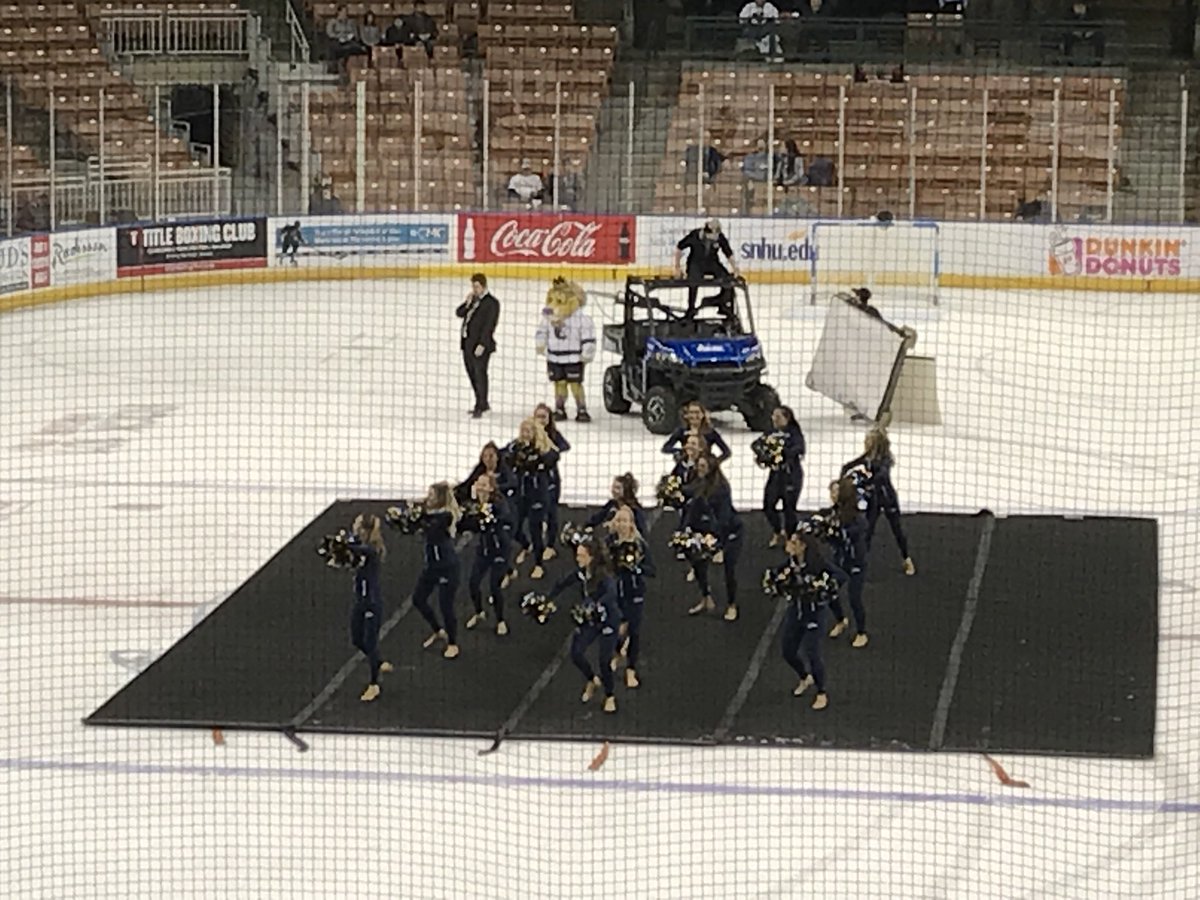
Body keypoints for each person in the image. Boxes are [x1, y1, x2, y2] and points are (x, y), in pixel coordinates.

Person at [768, 530, 846, 710]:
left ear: (803, 546)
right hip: (795, 612)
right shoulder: (789, 565)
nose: (789, 544)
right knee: (787, 651)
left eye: (793, 542)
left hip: (814, 613)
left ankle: (821, 692)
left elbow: (841, 577)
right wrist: (775, 583)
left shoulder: (818, 565)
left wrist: (823, 590)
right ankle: (805, 677)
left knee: (812, 652)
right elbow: (774, 577)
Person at [548, 537, 621, 713]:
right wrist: (547, 600)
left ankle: (610, 696)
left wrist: (597, 605)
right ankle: (591, 679)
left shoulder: (603, 575)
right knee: (576, 653)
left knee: (604, 660)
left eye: (581, 555)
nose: (577, 559)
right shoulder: (581, 573)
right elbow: (562, 583)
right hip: (590, 619)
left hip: (608, 619)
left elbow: (612, 594)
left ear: (591, 557)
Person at [842, 428, 915, 575]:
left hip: (887, 498)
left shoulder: (885, 459)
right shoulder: (868, 456)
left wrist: (864, 481)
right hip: (874, 499)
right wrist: (843, 481)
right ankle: (860, 562)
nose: (865, 442)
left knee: (897, 529)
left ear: (875, 443)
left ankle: (907, 559)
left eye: (868, 440)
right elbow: (849, 465)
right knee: (867, 530)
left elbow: (881, 476)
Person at [809, 478, 869, 648]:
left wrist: (834, 531)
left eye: (834, 491)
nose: (831, 495)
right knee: (828, 589)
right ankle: (841, 620)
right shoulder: (832, 513)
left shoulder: (857, 518)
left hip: (856, 563)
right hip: (840, 561)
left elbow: (850, 535)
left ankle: (862, 632)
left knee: (854, 597)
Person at [683, 453, 744, 621]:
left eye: (702, 466)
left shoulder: (721, 488)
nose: (699, 469)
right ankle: (706, 597)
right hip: (707, 530)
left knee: (729, 569)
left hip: (730, 532)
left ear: (711, 468)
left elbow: (723, 518)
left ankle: (732, 605)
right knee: (697, 561)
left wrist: (714, 540)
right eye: (698, 465)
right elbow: (690, 500)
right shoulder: (697, 482)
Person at [409, 482, 462, 659]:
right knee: (418, 599)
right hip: (432, 566)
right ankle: (438, 630)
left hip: (447, 567)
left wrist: (416, 517)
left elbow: (431, 528)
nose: (428, 497)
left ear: (440, 497)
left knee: (446, 606)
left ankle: (453, 643)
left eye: (432, 495)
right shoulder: (431, 515)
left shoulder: (445, 515)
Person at [347, 513, 394, 701]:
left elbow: (361, 550)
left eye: (357, 524)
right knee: (357, 639)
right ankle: (378, 661)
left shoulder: (372, 549)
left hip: (371, 603)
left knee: (371, 642)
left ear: (364, 529)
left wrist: (344, 545)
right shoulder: (360, 544)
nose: (353, 526)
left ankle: (374, 684)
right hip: (360, 601)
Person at [607, 505, 655, 689]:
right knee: (617, 629)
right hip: (615, 593)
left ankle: (631, 670)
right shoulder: (609, 543)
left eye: (625, 520)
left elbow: (652, 570)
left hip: (634, 594)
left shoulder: (640, 545)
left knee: (634, 632)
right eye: (619, 520)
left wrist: (637, 568)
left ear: (631, 523)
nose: (621, 524)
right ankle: (619, 651)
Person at [506, 418, 560, 580]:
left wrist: (537, 461)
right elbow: (506, 458)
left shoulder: (543, 449)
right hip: (520, 495)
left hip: (538, 496)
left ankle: (538, 564)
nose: (525, 434)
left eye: (528, 431)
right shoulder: (515, 447)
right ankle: (525, 545)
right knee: (514, 528)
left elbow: (553, 456)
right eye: (523, 430)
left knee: (535, 530)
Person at [463, 474, 514, 636]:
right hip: (484, 550)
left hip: (500, 549)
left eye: (484, 484)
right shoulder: (474, 505)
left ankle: (500, 620)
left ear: (491, 488)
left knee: (494, 586)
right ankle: (479, 612)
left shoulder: (498, 502)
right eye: (478, 483)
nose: (480, 486)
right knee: (473, 583)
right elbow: (468, 524)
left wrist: (490, 518)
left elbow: (506, 518)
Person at [758, 405, 806, 545]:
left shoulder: (794, 432)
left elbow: (800, 448)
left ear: (787, 418)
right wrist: (763, 456)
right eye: (773, 416)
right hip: (775, 475)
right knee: (768, 505)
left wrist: (781, 451)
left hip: (791, 475)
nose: (774, 419)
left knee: (789, 508)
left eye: (778, 416)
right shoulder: (771, 432)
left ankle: (791, 537)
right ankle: (778, 531)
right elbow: (757, 444)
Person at [673, 219, 740, 317]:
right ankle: (691, 308)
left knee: (728, 280)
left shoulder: (719, 237)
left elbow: (728, 252)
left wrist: (735, 268)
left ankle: (722, 304)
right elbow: (679, 248)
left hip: (712, 263)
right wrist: (677, 267)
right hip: (695, 263)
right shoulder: (695, 235)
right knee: (693, 281)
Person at [456, 273, 499, 418]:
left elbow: (489, 325)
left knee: (480, 374)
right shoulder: (473, 300)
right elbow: (459, 313)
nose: (474, 289)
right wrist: (467, 303)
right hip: (467, 344)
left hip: (481, 346)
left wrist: (482, 343)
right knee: (472, 374)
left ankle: (483, 405)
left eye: (477, 286)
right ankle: (478, 403)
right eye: (473, 286)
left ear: (484, 286)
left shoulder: (492, 303)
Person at [533, 403, 570, 562]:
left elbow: (565, 446)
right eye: (538, 416)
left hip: (551, 479)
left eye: (544, 416)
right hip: (534, 481)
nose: (541, 420)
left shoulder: (554, 434)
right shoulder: (530, 433)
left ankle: (550, 545)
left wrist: (552, 451)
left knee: (551, 511)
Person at [662, 401, 731, 464]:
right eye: (691, 412)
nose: (694, 416)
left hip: (704, 468)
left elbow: (727, 452)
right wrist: (680, 451)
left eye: (697, 412)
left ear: (703, 414)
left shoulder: (710, 432)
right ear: (687, 415)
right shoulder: (681, 431)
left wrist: (714, 463)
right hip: (686, 466)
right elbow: (665, 448)